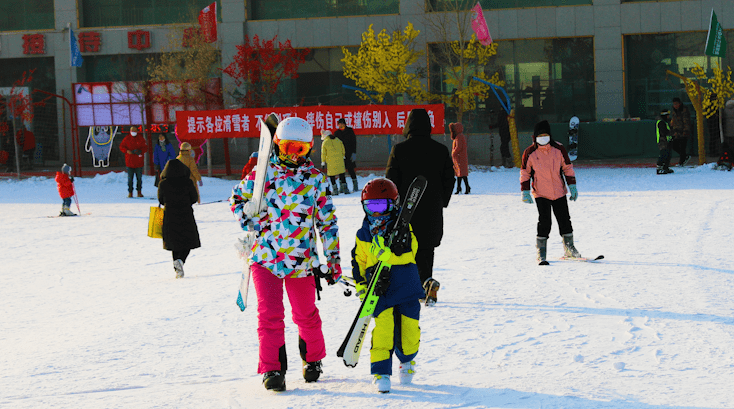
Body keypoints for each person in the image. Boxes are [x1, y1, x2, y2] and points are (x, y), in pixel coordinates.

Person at [229, 116, 341, 392]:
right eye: (289, 147)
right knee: (269, 315)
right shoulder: (262, 173)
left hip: (301, 261)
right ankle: (272, 368)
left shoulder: (315, 179)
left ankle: (313, 360)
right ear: (277, 145)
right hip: (266, 258)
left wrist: (333, 258)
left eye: (300, 150)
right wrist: (249, 216)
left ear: (310, 149)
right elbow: (237, 200)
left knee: (306, 314)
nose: (294, 155)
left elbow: (327, 221)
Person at [351, 177, 424, 393]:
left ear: (393, 205)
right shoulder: (363, 234)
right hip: (380, 290)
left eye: (381, 206)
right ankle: (380, 372)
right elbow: (359, 262)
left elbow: (411, 255)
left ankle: (408, 360)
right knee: (383, 330)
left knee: (409, 331)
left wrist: (389, 256)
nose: (376, 212)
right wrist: (361, 286)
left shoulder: (403, 229)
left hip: (407, 287)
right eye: (370, 207)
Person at [386, 108, 454, 306]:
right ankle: (427, 283)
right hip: (432, 209)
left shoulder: (399, 149)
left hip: (406, 210)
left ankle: (414, 287)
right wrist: (441, 201)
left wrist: (394, 206)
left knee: (406, 248)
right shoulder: (440, 150)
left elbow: (391, 180)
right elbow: (450, 179)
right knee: (426, 249)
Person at [520, 120, 581, 265]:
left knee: (565, 219)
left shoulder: (559, 149)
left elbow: (567, 168)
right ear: (535, 137)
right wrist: (525, 191)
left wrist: (572, 186)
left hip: (559, 191)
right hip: (541, 193)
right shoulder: (529, 153)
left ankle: (569, 248)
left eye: (545, 135)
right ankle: (541, 251)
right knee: (544, 221)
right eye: (540, 135)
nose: (543, 137)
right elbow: (525, 173)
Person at [157, 158, 201, 278]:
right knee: (188, 241)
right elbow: (194, 198)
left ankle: (177, 266)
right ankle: (181, 261)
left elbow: (161, 200)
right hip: (186, 214)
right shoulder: (187, 182)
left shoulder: (163, 183)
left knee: (174, 243)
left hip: (169, 216)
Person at [119, 126, 148, 198]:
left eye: (134, 131)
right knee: (130, 179)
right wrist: (127, 151)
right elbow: (121, 147)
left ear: (137, 131)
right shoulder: (127, 138)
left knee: (139, 179)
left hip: (139, 162)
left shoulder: (141, 138)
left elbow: (145, 147)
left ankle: (139, 192)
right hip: (129, 162)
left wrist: (140, 151)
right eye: (132, 131)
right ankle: (130, 192)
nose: (133, 132)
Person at [320, 129, 349, 195]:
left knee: (332, 176)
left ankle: (335, 190)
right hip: (340, 160)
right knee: (342, 175)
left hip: (330, 162)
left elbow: (323, 153)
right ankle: (345, 189)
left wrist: (323, 162)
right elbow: (343, 149)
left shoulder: (325, 142)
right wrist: (343, 155)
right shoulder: (338, 140)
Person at [334, 118, 359, 192]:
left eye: (342, 124)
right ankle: (342, 187)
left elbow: (354, 142)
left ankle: (355, 185)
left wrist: (354, 153)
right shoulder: (337, 133)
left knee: (351, 169)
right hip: (340, 154)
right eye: (339, 124)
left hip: (349, 153)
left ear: (345, 124)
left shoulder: (350, 131)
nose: (341, 125)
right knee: (341, 171)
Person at [670, 97, 692, 166]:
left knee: (682, 147)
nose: (675, 106)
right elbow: (673, 119)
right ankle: (684, 157)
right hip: (676, 131)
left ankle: (681, 161)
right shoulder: (674, 111)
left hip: (683, 131)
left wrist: (685, 131)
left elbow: (686, 121)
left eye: (676, 104)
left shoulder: (684, 110)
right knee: (674, 145)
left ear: (679, 103)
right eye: (674, 104)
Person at [450, 122, 470, 194]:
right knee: (461, 173)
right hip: (461, 157)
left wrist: (453, 153)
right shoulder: (461, 136)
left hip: (459, 157)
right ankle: (464, 187)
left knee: (460, 173)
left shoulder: (459, 137)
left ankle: (460, 188)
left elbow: (459, 147)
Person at [656, 110, 674, 175]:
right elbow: (665, 132)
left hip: (667, 141)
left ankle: (665, 167)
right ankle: (659, 168)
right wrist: (672, 130)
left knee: (668, 154)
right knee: (663, 154)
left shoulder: (665, 122)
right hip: (663, 141)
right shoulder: (661, 122)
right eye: (667, 115)